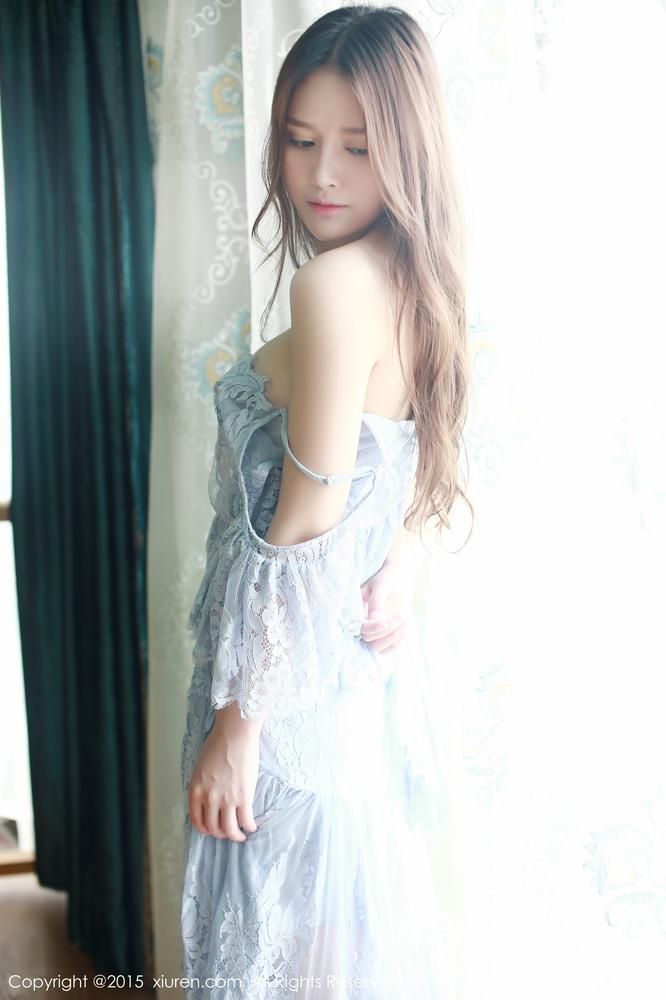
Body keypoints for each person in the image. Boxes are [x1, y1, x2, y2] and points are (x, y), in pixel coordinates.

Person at [180, 6, 472, 998]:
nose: (321, 175)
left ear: (407, 149)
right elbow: (420, 450)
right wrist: (403, 562)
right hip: (342, 698)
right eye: (301, 141)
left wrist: (238, 721)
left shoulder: (337, 285)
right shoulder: (417, 276)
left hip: (285, 702)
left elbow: (304, 521)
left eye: (357, 146)